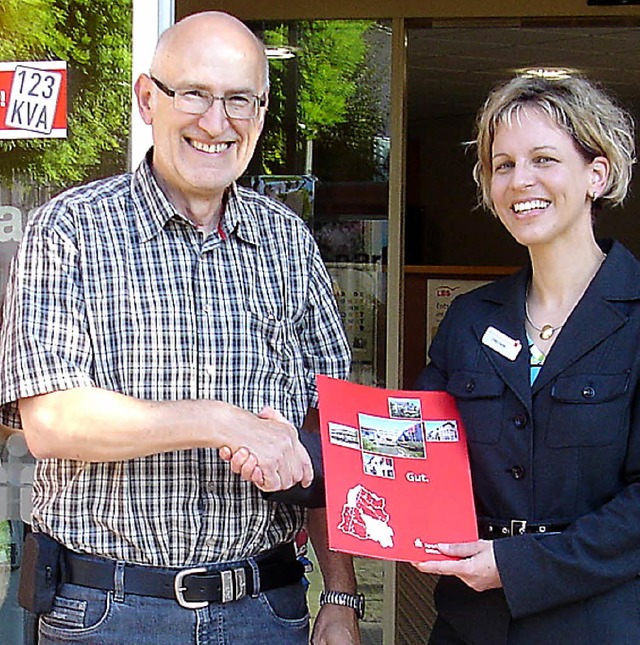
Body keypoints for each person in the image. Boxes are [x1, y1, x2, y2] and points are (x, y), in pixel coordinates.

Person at [0, 11, 362, 645]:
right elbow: (51, 423)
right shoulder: (69, 231)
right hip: (108, 611)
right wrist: (221, 421)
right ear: (148, 99)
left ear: (262, 109)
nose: (215, 123)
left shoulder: (289, 243)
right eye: (193, 93)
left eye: (239, 101)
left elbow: (326, 431)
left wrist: (341, 594)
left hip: (266, 608)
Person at [414, 72, 640, 643]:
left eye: (543, 158)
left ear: (597, 173)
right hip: (472, 628)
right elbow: (409, 446)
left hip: (601, 626)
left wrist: (516, 568)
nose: (521, 181)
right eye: (503, 164)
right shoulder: (470, 319)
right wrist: (295, 458)